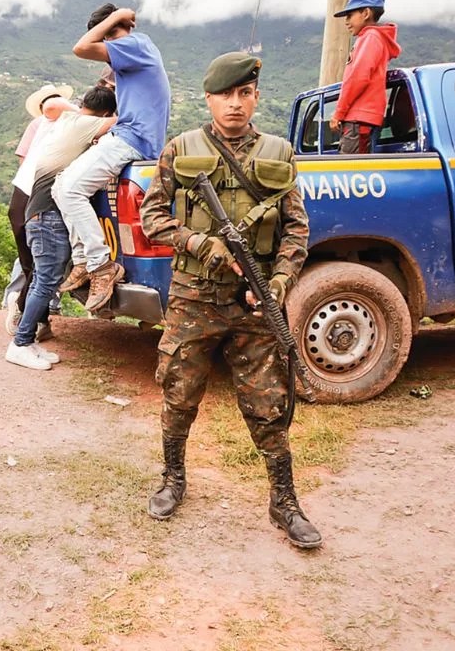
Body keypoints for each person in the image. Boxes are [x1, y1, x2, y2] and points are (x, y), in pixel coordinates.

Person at [139, 52, 321, 549]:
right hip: (193, 297)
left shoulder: (280, 153)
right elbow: (152, 217)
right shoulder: (181, 148)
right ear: (209, 99)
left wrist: (279, 283)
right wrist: (200, 243)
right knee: (179, 392)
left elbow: (296, 230)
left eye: (244, 94)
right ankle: (173, 478)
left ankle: (284, 500)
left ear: (256, 97)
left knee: (269, 402)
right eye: (225, 95)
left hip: (254, 301)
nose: (235, 104)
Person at [55, 4, 171, 312]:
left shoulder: (135, 44)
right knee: (60, 186)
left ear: (109, 33)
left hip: (133, 138)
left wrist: (117, 17)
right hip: (125, 134)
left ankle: (101, 265)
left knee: (71, 190)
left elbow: (81, 48)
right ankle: (83, 260)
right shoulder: (133, 53)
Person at [5, 85, 118, 370]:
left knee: (44, 280)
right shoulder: (83, 123)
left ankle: (27, 341)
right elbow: (127, 121)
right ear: (105, 112)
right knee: (45, 281)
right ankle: (20, 344)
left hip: (41, 215)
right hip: (47, 217)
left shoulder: (69, 122)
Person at [5, 83, 73, 337]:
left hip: (26, 192)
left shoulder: (53, 124)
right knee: (37, 262)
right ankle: (26, 309)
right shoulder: (51, 123)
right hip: (34, 192)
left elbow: (23, 158)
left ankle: (34, 317)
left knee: (35, 261)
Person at [329, 0, 402, 154]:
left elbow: (358, 78)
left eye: (350, 15)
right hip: (361, 119)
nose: (346, 21)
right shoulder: (374, 38)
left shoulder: (370, 37)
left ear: (366, 13)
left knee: (350, 167)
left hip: (358, 120)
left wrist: (338, 113)